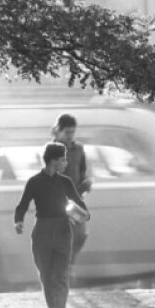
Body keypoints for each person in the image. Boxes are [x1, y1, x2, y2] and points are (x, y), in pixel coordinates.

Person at [14, 142, 88, 308]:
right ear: (53, 161)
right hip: (42, 232)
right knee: (46, 275)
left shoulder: (66, 182)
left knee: (61, 275)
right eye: (63, 159)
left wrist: (81, 214)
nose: (66, 163)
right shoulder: (34, 182)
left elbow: (82, 208)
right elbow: (22, 206)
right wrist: (18, 221)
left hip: (63, 231)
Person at [51, 114, 92, 266]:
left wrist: (86, 183)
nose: (70, 136)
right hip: (56, 203)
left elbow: (83, 173)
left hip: (75, 201)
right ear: (58, 131)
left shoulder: (78, 149)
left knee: (81, 235)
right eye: (67, 132)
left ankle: (68, 265)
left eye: (72, 132)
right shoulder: (51, 150)